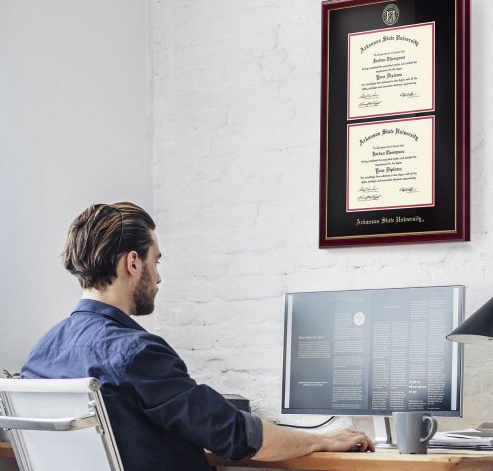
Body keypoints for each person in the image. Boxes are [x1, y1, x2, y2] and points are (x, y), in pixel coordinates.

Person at [21, 202, 374, 471]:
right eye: (155, 261)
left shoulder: (40, 355)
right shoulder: (136, 353)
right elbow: (237, 435)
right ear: (132, 263)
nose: (158, 278)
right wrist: (320, 440)